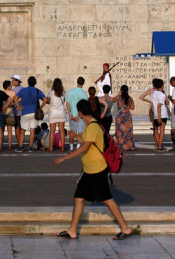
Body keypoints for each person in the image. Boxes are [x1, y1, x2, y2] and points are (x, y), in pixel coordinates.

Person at [54, 99, 133, 240]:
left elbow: (84, 147)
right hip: (88, 169)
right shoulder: (91, 125)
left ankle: (125, 228)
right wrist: (76, 136)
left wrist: (64, 158)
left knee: (107, 199)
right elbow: (87, 142)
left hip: (96, 170)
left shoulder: (92, 127)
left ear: (79, 112)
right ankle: (72, 230)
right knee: (78, 198)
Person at [15, 76, 46, 152]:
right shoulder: (37, 91)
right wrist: (40, 107)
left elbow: (15, 98)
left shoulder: (23, 90)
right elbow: (45, 100)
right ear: (35, 83)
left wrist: (19, 107)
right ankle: (30, 147)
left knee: (23, 130)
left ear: (28, 82)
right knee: (32, 130)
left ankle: (21, 146)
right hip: (34, 113)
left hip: (25, 112)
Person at [66, 77, 87, 151]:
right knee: (80, 131)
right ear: (83, 83)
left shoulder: (71, 91)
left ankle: (71, 147)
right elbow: (84, 106)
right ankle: (78, 146)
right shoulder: (84, 94)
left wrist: (70, 113)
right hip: (80, 116)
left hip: (72, 115)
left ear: (77, 82)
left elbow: (67, 103)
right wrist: (79, 115)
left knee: (72, 131)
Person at [47, 78, 67, 152]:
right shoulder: (63, 92)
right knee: (61, 130)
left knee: (52, 130)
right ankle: (62, 148)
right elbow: (63, 100)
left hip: (53, 112)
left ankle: (51, 148)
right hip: (61, 112)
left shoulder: (51, 91)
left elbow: (48, 101)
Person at [114, 85, 135, 151]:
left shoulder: (119, 98)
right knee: (128, 131)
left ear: (121, 90)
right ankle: (129, 146)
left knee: (120, 131)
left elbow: (114, 100)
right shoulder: (130, 98)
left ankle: (121, 146)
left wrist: (118, 93)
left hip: (120, 115)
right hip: (127, 115)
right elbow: (132, 108)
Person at [150, 78, 169, 152]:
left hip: (156, 114)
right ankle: (160, 146)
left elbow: (152, 105)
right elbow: (159, 106)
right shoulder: (162, 95)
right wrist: (159, 117)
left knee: (156, 130)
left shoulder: (153, 93)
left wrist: (155, 114)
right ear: (162, 85)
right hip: (162, 114)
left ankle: (158, 145)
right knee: (162, 130)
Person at [2, 80, 17, 150]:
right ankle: (10, 145)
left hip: (2, 112)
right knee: (9, 130)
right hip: (10, 112)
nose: (11, 86)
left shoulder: (2, 93)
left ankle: (0, 145)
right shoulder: (13, 93)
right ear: (8, 86)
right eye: (10, 85)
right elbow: (13, 103)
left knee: (1, 130)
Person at [11, 75, 24, 149]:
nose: (12, 82)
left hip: (17, 111)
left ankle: (19, 143)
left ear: (17, 81)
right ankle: (21, 143)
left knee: (17, 128)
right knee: (22, 128)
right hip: (23, 111)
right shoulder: (23, 89)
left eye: (13, 80)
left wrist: (16, 103)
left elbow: (14, 99)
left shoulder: (14, 90)